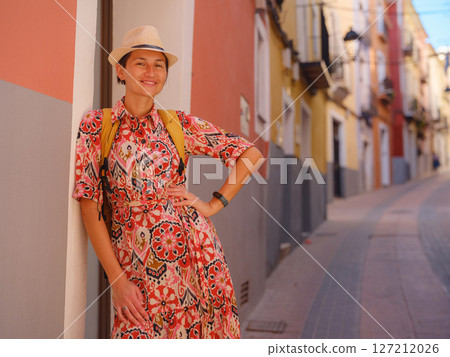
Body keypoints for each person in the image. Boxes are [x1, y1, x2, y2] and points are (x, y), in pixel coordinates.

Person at [73, 26, 263, 339]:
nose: (151, 72)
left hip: (196, 261)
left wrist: (214, 204)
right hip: (135, 268)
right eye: (140, 63)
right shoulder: (98, 125)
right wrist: (116, 280)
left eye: (159, 65)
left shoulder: (180, 124)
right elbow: (89, 206)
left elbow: (250, 154)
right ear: (121, 71)